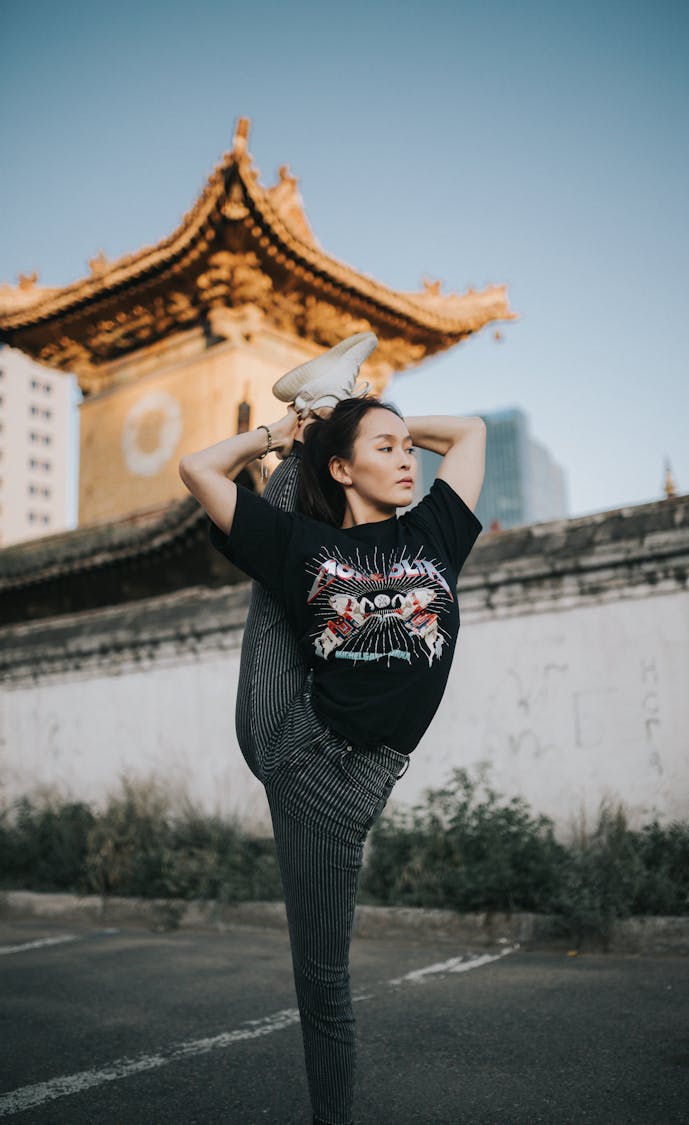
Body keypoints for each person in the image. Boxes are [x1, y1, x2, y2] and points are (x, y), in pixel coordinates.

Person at [179, 331, 486, 1125]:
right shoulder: (309, 542)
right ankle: (313, 412)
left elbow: (473, 433)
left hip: (358, 772)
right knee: (326, 984)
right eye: (384, 448)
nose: (408, 456)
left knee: (280, 572)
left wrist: (382, 420)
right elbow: (199, 470)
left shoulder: (436, 534)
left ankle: (326, 400)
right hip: (298, 746)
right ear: (343, 469)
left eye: (407, 446)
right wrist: (285, 439)